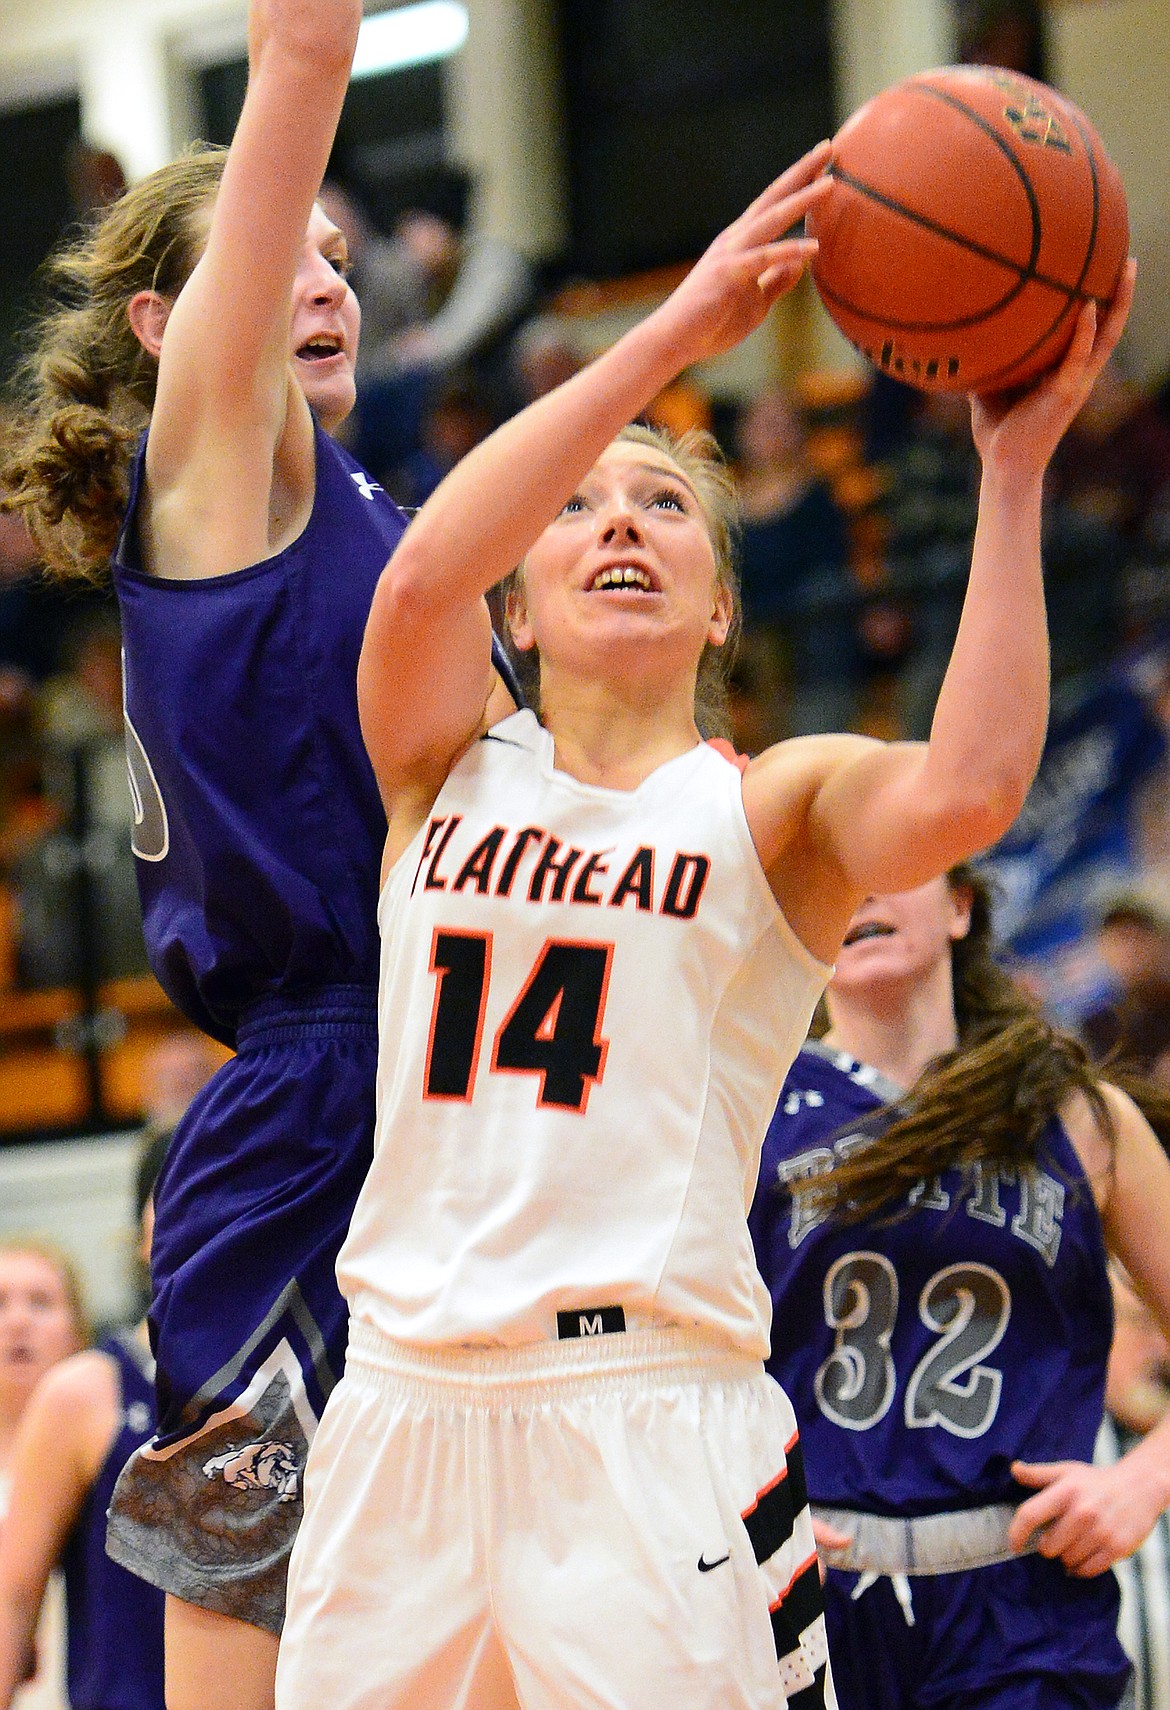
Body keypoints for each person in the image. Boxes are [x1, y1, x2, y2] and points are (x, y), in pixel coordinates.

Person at [271, 143, 1134, 1707]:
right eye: (582, 506)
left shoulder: (769, 805)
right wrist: (670, 336)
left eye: (667, 505)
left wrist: (1009, 478)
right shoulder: (436, 758)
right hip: (397, 1401)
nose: (620, 521)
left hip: (646, 1410)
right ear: (513, 606)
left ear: (721, 606)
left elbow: (972, 786)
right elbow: (411, 592)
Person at [0, 2, 517, 1706]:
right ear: (169, 323)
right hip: (322, 1099)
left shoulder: (357, 502)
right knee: (275, 1629)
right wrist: (305, 60)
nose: (324, 281)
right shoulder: (218, 464)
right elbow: (299, 61)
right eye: (275, 254)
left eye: (341, 255)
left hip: (462, 1074)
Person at [750, 861, 1170, 1710]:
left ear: (958, 905)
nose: (863, 891)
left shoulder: (1076, 1115)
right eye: (838, 875)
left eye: (891, 864)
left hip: (1021, 1600)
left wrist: (1145, 1477)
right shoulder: (748, 1104)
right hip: (800, 1597)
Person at [0, 1128, 173, 1710]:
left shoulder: (304, 1382)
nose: (17, 1324)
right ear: (140, 1235)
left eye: (40, 1302)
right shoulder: (88, 1391)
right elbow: (13, 1597)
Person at [0, 1242, 87, 1710]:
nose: (18, 1321)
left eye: (41, 1302)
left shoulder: (112, 1464)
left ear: (78, 1332)